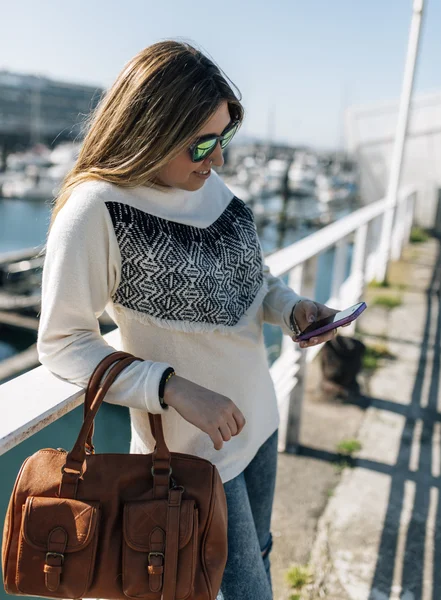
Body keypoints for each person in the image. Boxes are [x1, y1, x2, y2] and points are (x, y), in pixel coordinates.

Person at [37, 40, 340, 600]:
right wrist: (170, 387)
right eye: (203, 143)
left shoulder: (208, 184)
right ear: (151, 127)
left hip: (258, 420)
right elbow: (63, 342)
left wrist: (291, 308)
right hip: (188, 455)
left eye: (225, 138)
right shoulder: (98, 207)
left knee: (263, 558)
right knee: (243, 591)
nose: (218, 158)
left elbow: (254, 280)